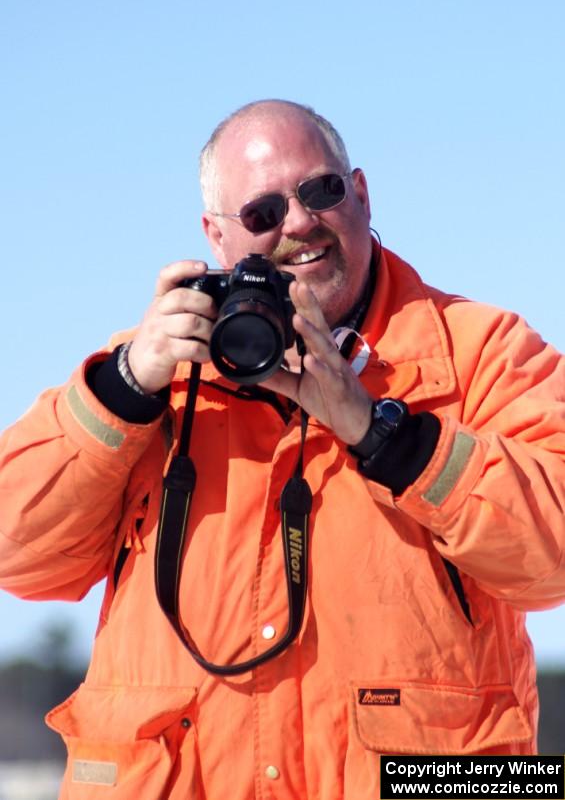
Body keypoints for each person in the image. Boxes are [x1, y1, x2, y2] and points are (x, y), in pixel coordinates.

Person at [0, 99, 564, 800]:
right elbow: (17, 556)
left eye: (320, 191)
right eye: (262, 213)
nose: (298, 222)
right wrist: (122, 391)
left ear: (359, 193)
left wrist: (380, 432)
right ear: (214, 236)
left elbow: (553, 561)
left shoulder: (480, 351)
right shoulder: (150, 374)